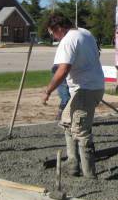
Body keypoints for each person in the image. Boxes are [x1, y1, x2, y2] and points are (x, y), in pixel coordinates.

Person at [42, 14, 104, 179]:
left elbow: (63, 69)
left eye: (52, 33)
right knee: (67, 122)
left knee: (81, 131)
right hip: (91, 86)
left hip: (85, 89)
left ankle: (90, 175)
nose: (53, 37)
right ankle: (73, 164)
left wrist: (48, 91)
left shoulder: (68, 40)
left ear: (59, 28)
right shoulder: (84, 33)